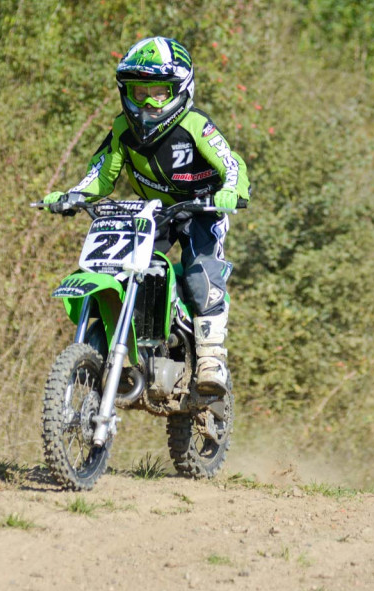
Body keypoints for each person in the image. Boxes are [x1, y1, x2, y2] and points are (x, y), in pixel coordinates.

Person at [43, 36, 250, 397]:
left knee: (202, 274)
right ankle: (137, 339)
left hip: (203, 208)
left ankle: (210, 358)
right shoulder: (123, 130)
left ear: (181, 91)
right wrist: (73, 195)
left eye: (160, 92)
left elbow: (232, 164)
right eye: (140, 93)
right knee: (122, 267)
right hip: (154, 212)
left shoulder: (196, 126)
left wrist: (231, 191)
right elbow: (102, 174)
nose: (149, 103)